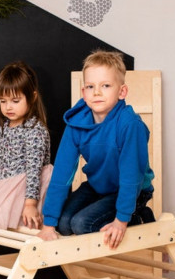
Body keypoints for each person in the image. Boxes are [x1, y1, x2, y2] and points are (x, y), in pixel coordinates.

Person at [39, 50, 155, 248]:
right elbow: (62, 173)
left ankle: (138, 216)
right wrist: (48, 223)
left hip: (130, 190)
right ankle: (63, 220)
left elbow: (131, 176)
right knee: (64, 224)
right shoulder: (77, 124)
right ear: (83, 93)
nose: (97, 92)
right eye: (91, 87)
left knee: (81, 224)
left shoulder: (129, 125)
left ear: (122, 92)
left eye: (106, 86)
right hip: (97, 186)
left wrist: (121, 220)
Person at [0, 60, 53, 230]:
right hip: (5, 181)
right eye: (3, 101)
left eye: (15, 100)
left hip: (27, 184)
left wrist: (30, 204)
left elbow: (34, 171)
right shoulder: (3, 128)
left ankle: (25, 209)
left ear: (32, 97)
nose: (8, 107)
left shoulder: (35, 130)